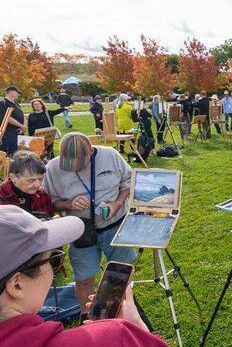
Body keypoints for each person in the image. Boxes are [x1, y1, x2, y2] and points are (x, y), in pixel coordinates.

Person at [0, 205, 168, 347]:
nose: (53, 271)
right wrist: (135, 327)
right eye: (52, 260)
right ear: (16, 285)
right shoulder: (113, 337)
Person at [43, 133, 136, 320]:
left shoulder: (110, 155)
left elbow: (129, 182)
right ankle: (88, 319)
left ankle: (115, 315)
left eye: (78, 162)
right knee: (84, 279)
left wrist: (116, 204)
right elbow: (49, 202)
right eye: (68, 163)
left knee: (120, 276)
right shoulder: (52, 167)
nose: (73, 168)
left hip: (115, 226)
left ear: (91, 152)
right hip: (81, 231)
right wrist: (69, 204)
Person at [0, 151, 53, 218]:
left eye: (41, 179)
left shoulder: (42, 195)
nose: (38, 185)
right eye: (31, 180)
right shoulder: (2, 196)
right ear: (13, 178)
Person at [0, 86, 27, 157]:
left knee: (19, 152)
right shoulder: (3, 102)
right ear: (11, 92)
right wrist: (21, 126)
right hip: (9, 132)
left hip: (18, 131)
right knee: (11, 153)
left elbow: (21, 114)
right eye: (17, 92)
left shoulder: (15, 102)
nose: (19, 94)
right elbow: (8, 118)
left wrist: (22, 127)